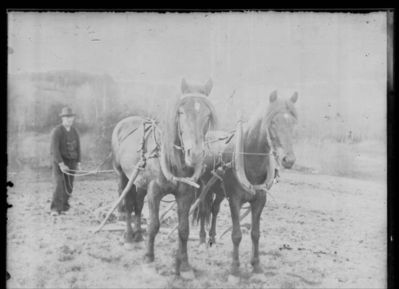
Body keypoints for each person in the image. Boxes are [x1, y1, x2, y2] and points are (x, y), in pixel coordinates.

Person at [50, 107, 82, 215]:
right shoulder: (57, 131)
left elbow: (78, 147)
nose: (69, 119)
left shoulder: (74, 131)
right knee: (59, 185)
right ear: (62, 118)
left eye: (71, 117)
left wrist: (78, 162)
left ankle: (63, 207)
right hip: (60, 163)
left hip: (72, 162)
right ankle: (55, 209)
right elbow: (54, 150)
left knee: (69, 186)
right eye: (67, 117)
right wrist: (61, 164)